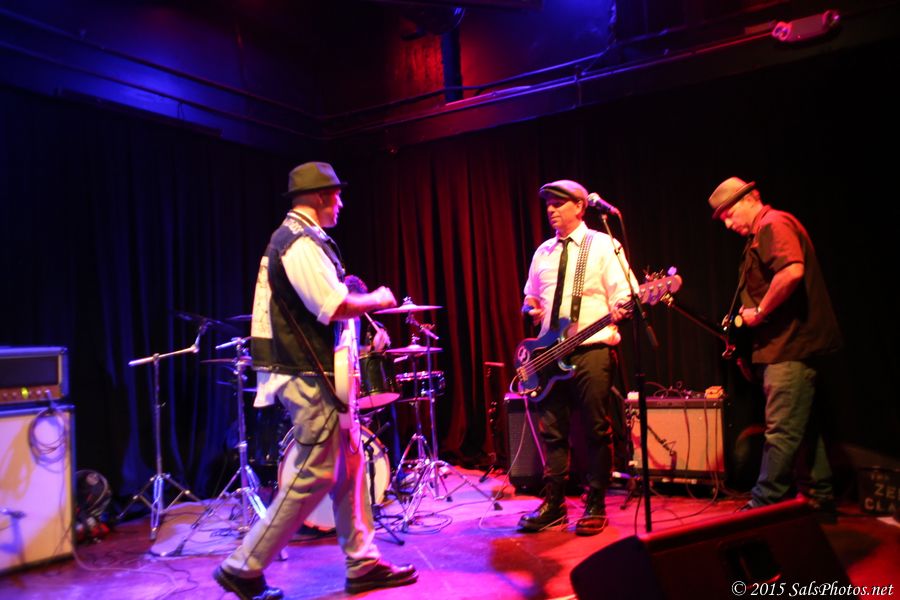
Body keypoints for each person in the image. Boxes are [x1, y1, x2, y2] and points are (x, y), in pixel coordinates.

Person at [213, 162, 418, 598]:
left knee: (351, 466)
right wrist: (378, 299)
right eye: (337, 195)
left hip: (315, 372)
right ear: (322, 197)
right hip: (308, 375)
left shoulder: (301, 238)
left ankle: (363, 562)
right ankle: (242, 566)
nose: (341, 203)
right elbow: (332, 306)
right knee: (314, 474)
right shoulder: (299, 242)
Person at [708, 177, 841, 519]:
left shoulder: (772, 224)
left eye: (729, 214)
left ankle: (763, 506)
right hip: (785, 348)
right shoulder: (761, 232)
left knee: (781, 430)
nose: (727, 224)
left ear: (750, 199)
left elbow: (792, 271)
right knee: (804, 428)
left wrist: (761, 310)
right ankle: (819, 498)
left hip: (789, 348)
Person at [519, 179, 634, 536]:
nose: (550, 210)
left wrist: (624, 306)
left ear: (580, 207)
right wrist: (531, 308)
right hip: (549, 354)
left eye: (558, 203)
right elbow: (530, 296)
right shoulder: (543, 252)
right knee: (553, 432)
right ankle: (554, 504)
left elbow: (625, 293)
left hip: (592, 349)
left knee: (596, 429)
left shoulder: (603, 245)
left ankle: (595, 502)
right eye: (548, 204)